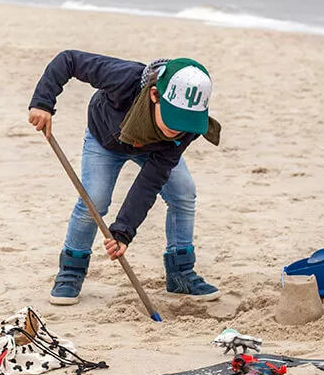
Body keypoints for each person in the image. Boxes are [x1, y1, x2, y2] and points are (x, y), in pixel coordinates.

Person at [28, 52, 222, 305]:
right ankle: (71, 272)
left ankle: (181, 274)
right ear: (155, 95)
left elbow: (149, 182)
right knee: (94, 201)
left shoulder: (190, 128)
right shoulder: (125, 79)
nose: (179, 127)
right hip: (106, 141)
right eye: (174, 117)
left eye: (186, 121)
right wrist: (43, 103)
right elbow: (69, 60)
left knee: (184, 194)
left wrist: (122, 233)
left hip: (155, 151)